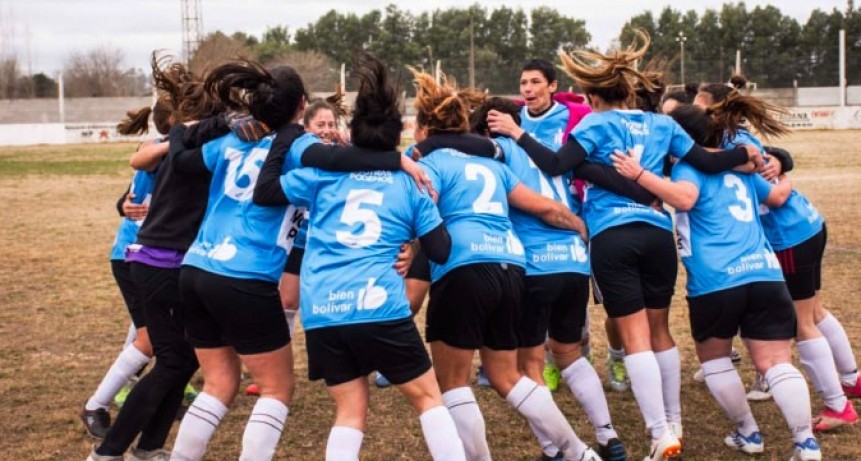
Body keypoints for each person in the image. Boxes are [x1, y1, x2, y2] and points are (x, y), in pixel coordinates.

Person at [487, 30, 763, 461]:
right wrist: (745, 155)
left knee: (635, 339)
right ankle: (674, 422)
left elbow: (558, 164)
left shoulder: (595, 123)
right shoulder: (662, 124)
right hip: (657, 234)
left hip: (612, 235)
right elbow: (706, 160)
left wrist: (518, 134)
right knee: (660, 332)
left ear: (593, 97)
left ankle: (659, 433)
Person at [273, 51, 467, 461]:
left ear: (351, 133)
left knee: (349, 411)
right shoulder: (412, 182)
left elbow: (270, 190)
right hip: (378, 306)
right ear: (398, 135)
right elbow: (441, 250)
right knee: (429, 399)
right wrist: (412, 237)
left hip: (323, 311)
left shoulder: (321, 174)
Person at [410, 67, 601, 461]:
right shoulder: (493, 166)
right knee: (507, 376)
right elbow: (544, 206)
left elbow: (419, 215)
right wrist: (580, 226)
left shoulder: (429, 164)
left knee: (453, 383)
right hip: (511, 267)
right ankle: (580, 452)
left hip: (464, 269)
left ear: (424, 128)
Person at [615, 101, 823, 461]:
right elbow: (776, 196)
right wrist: (782, 171)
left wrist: (639, 174)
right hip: (765, 273)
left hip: (716, 280)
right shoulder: (742, 166)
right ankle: (805, 442)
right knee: (776, 362)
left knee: (714, 360)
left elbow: (685, 198)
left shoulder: (688, 167)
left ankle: (748, 431)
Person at [472, 97, 627, 461]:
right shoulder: (548, 148)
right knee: (569, 353)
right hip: (573, 263)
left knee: (530, 364)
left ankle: (554, 449)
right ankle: (608, 435)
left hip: (535, 265)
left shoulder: (498, 153)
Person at [695, 86, 859, 430]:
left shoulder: (731, 148)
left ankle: (837, 405)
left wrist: (780, 170)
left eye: (698, 105)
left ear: (715, 112)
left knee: (802, 323)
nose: (692, 111)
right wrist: (782, 163)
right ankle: (851, 378)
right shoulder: (736, 138)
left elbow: (774, 194)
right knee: (815, 312)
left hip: (787, 237)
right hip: (807, 224)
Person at [87, 57, 223, 461]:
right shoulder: (185, 148)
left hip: (172, 263)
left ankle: (147, 447)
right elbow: (140, 166)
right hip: (159, 263)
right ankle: (107, 450)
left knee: (183, 360)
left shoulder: (181, 146)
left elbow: (141, 165)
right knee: (171, 359)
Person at [81, 102, 169, 439]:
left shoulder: (165, 148)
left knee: (154, 330)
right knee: (149, 339)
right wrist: (124, 204)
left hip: (153, 254)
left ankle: (144, 390)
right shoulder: (160, 150)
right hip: (136, 254)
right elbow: (140, 164)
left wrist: (123, 203)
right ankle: (97, 405)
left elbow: (129, 195)